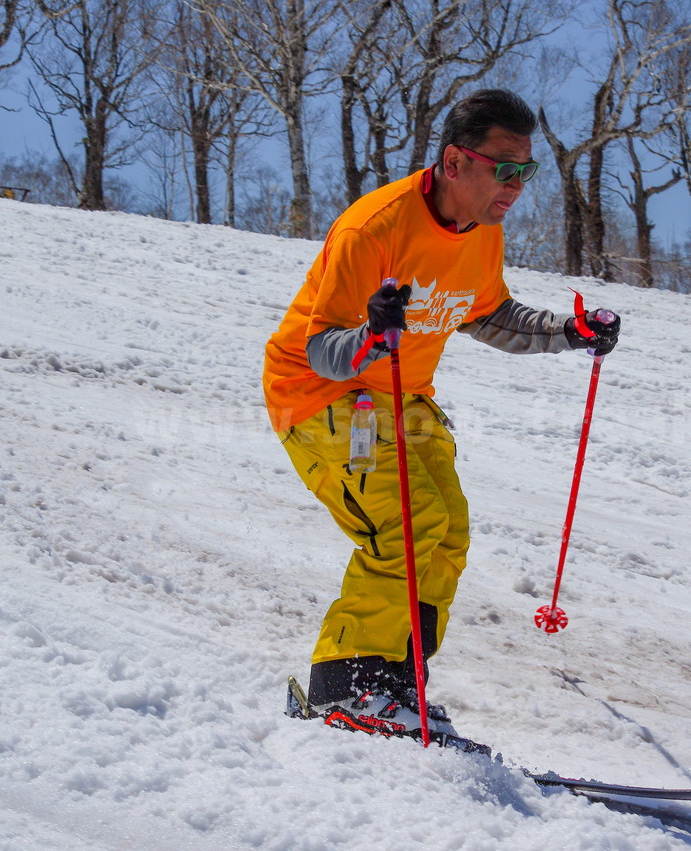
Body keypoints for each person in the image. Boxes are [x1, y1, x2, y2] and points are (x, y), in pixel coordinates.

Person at [263, 89, 620, 746]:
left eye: (526, 171)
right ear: (456, 162)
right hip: (327, 395)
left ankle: (398, 679)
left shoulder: (483, 231)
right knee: (406, 524)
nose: (515, 185)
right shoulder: (374, 228)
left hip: (403, 397)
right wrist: (372, 338)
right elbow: (321, 346)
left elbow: (486, 312)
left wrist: (568, 330)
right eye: (504, 168)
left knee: (448, 529)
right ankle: (345, 685)